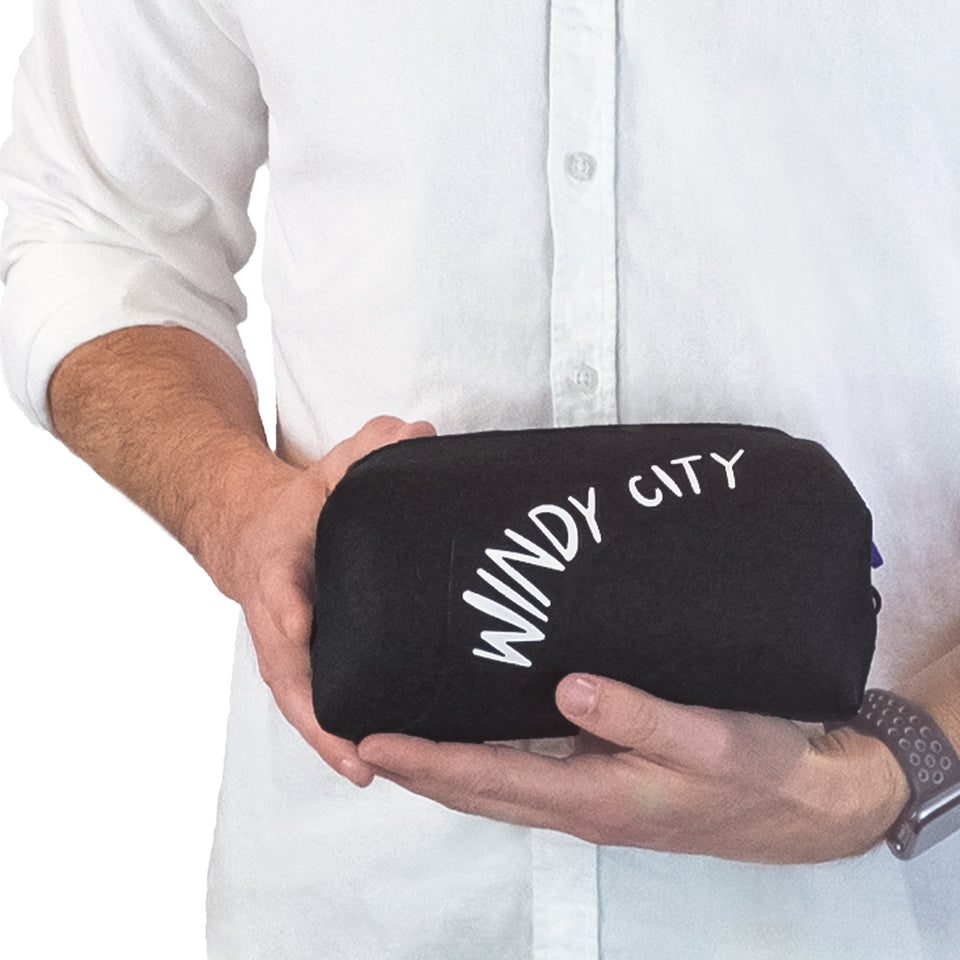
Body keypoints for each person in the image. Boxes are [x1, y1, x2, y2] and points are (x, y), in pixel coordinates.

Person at [2, 2, 959, 958]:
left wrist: (892, 772)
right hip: (363, 894)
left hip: (879, 901)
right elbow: (89, 226)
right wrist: (236, 509)